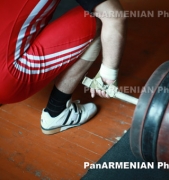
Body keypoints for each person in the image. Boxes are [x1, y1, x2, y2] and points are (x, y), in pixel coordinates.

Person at [0, 0, 126, 134]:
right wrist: (108, 75)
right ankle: (57, 112)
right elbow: (115, 16)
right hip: (7, 80)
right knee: (97, 15)